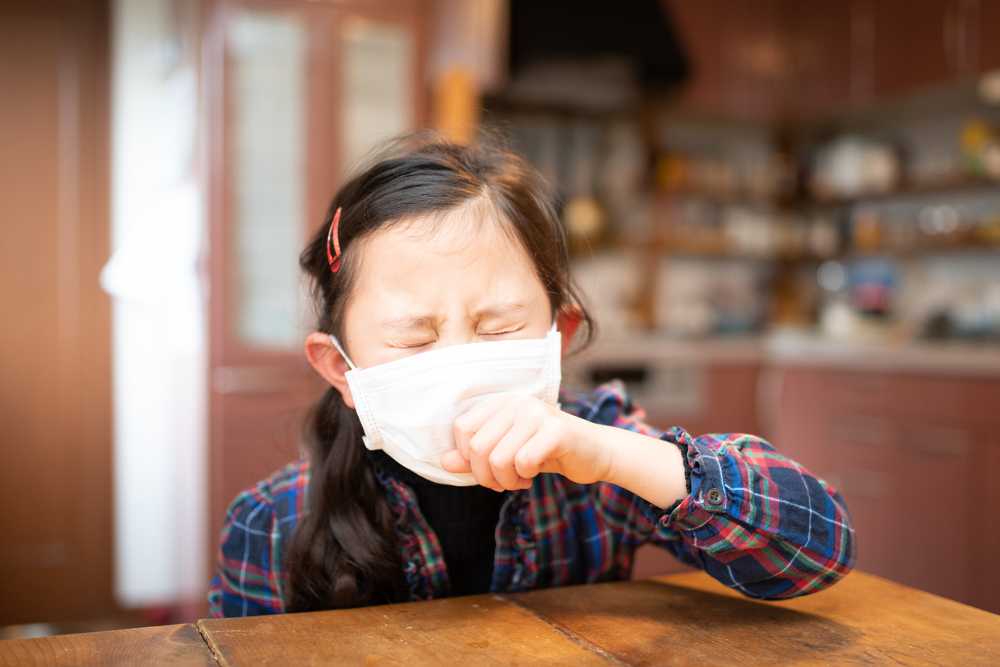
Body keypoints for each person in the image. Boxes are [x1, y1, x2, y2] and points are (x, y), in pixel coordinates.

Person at [208, 133, 855, 618]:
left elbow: (820, 549)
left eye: (497, 328)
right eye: (413, 334)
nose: (458, 361)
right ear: (338, 367)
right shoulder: (273, 522)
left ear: (559, 336)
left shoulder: (594, 470)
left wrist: (611, 454)